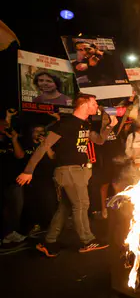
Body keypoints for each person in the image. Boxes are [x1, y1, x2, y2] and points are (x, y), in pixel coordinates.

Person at [16, 93, 117, 257]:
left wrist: (109, 126)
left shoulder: (84, 123)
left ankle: (49, 242)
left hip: (80, 171)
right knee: (82, 205)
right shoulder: (65, 123)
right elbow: (44, 146)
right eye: (94, 103)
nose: (96, 106)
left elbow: (99, 140)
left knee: (65, 207)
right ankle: (87, 241)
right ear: (84, 104)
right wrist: (28, 171)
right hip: (69, 170)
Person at [1, 114, 26, 253]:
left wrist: (14, 140)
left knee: (16, 207)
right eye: (3, 124)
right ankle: (5, 236)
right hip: (3, 181)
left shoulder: (9, 141)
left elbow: (20, 155)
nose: (5, 127)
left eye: (6, 124)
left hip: (13, 180)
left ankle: (11, 233)